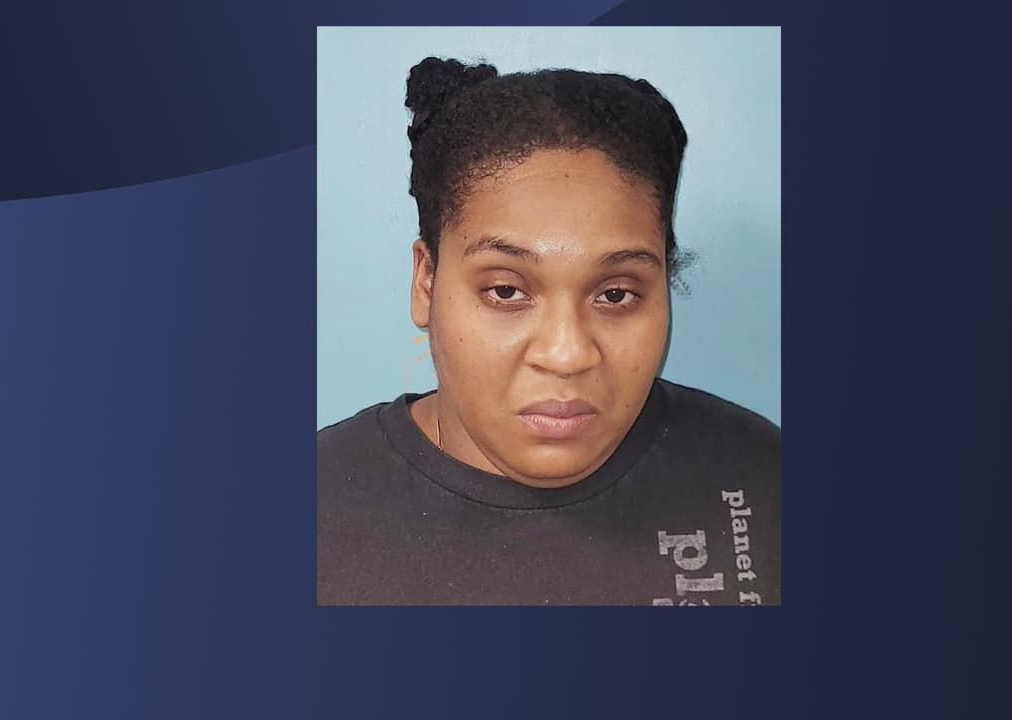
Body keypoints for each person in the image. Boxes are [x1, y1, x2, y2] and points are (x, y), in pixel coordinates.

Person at [317, 57, 780, 605]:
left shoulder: (764, 479)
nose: (567, 354)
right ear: (426, 282)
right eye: (505, 291)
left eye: (615, 295)